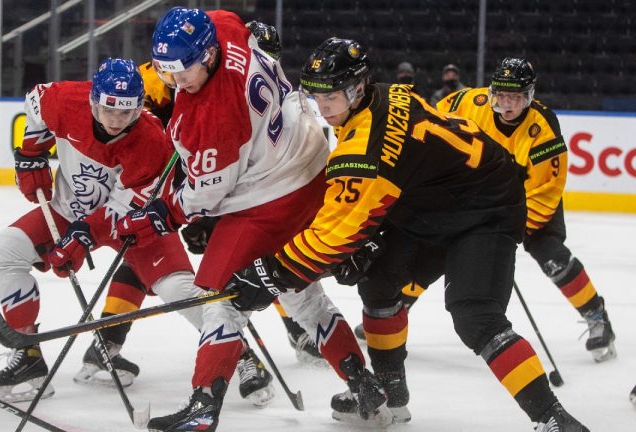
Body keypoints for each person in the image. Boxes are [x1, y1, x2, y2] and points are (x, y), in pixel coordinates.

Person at [227, 37, 590, 431]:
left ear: (355, 88)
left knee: (476, 317)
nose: (322, 107)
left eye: (330, 96)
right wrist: (367, 235)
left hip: (486, 209)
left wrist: (271, 273)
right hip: (434, 202)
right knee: (379, 283)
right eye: (316, 96)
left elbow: (334, 235)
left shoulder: (366, 145)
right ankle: (390, 393)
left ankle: (554, 418)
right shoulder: (388, 93)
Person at [116, 8, 393, 431]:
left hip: (270, 200)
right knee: (301, 295)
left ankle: (203, 408)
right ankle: (363, 385)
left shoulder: (208, 118)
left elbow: (205, 195)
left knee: (219, 301)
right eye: (167, 71)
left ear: (208, 55)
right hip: (311, 166)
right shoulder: (223, 28)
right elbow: (239, 23)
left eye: (183, 71)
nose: (176, 81)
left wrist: (160, 214)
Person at [354, 58, 616, 364]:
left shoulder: (542, 128)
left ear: (529, 96)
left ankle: (597, 315)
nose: (506, 105)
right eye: (501, 96)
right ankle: (401, 305)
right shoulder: (469, 101)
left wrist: (503, 229)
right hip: (472, 194)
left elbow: (546, 191)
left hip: (528, 198)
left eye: (515, 98)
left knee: (550, 253)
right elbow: (432, 119)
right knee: (433, 246)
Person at [0, 58, 201, 402]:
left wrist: (82, 237)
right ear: (92, 101)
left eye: (126, 113)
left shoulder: (151, 142)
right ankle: (28, 358)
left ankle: (234, 351)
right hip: (66, 212)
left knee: (178, 288)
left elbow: (123, 210)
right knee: (5, 248)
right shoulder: (64, 99)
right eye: (108, 111)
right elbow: (36, 102)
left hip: (130, 224)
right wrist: (31, 154)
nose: (116, 121)